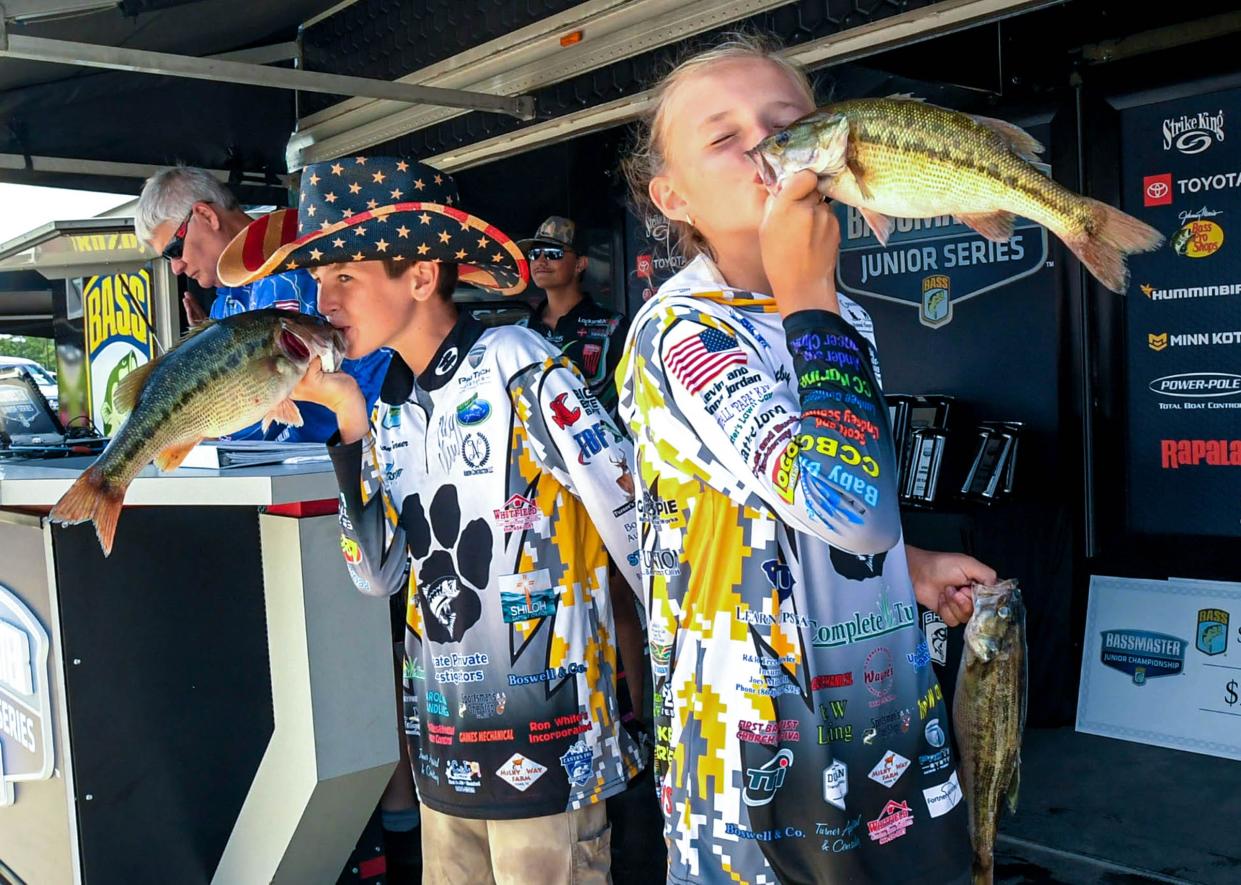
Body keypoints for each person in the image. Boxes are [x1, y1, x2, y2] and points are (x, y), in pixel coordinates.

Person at [617, 35, 997, 884]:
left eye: (786, 123)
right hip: (755, 739)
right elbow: (846, 508)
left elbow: (814, 518)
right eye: (723, 138)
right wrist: (807, 295)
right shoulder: (682, 329)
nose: (761, 147)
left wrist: (913, 566)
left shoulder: (839, 317)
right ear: (670, 195)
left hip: (874, 695)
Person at [217, 157, 644, 884]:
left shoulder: (517, 361)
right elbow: (374, 574)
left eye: (343, 276)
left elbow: (636, 522)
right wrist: (347, 420)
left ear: (419, 275)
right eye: (318, 281)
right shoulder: (387, 403)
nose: (324, 299)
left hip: (549, 748)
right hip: (445, 753)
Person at [136, 165, 390, 440]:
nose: (175, 268)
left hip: (345, 456)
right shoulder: (225, 302)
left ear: (206, 215)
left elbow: (269, 418)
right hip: (295, 470)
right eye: (167, 258)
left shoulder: (288, 267)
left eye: (174, 250)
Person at [516, 217, 629, 421]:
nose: (541, 261)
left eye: (553, 253)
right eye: (534, 254)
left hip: (600, 447)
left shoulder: (613, 327)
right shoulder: (522, 332)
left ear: (580, 264)